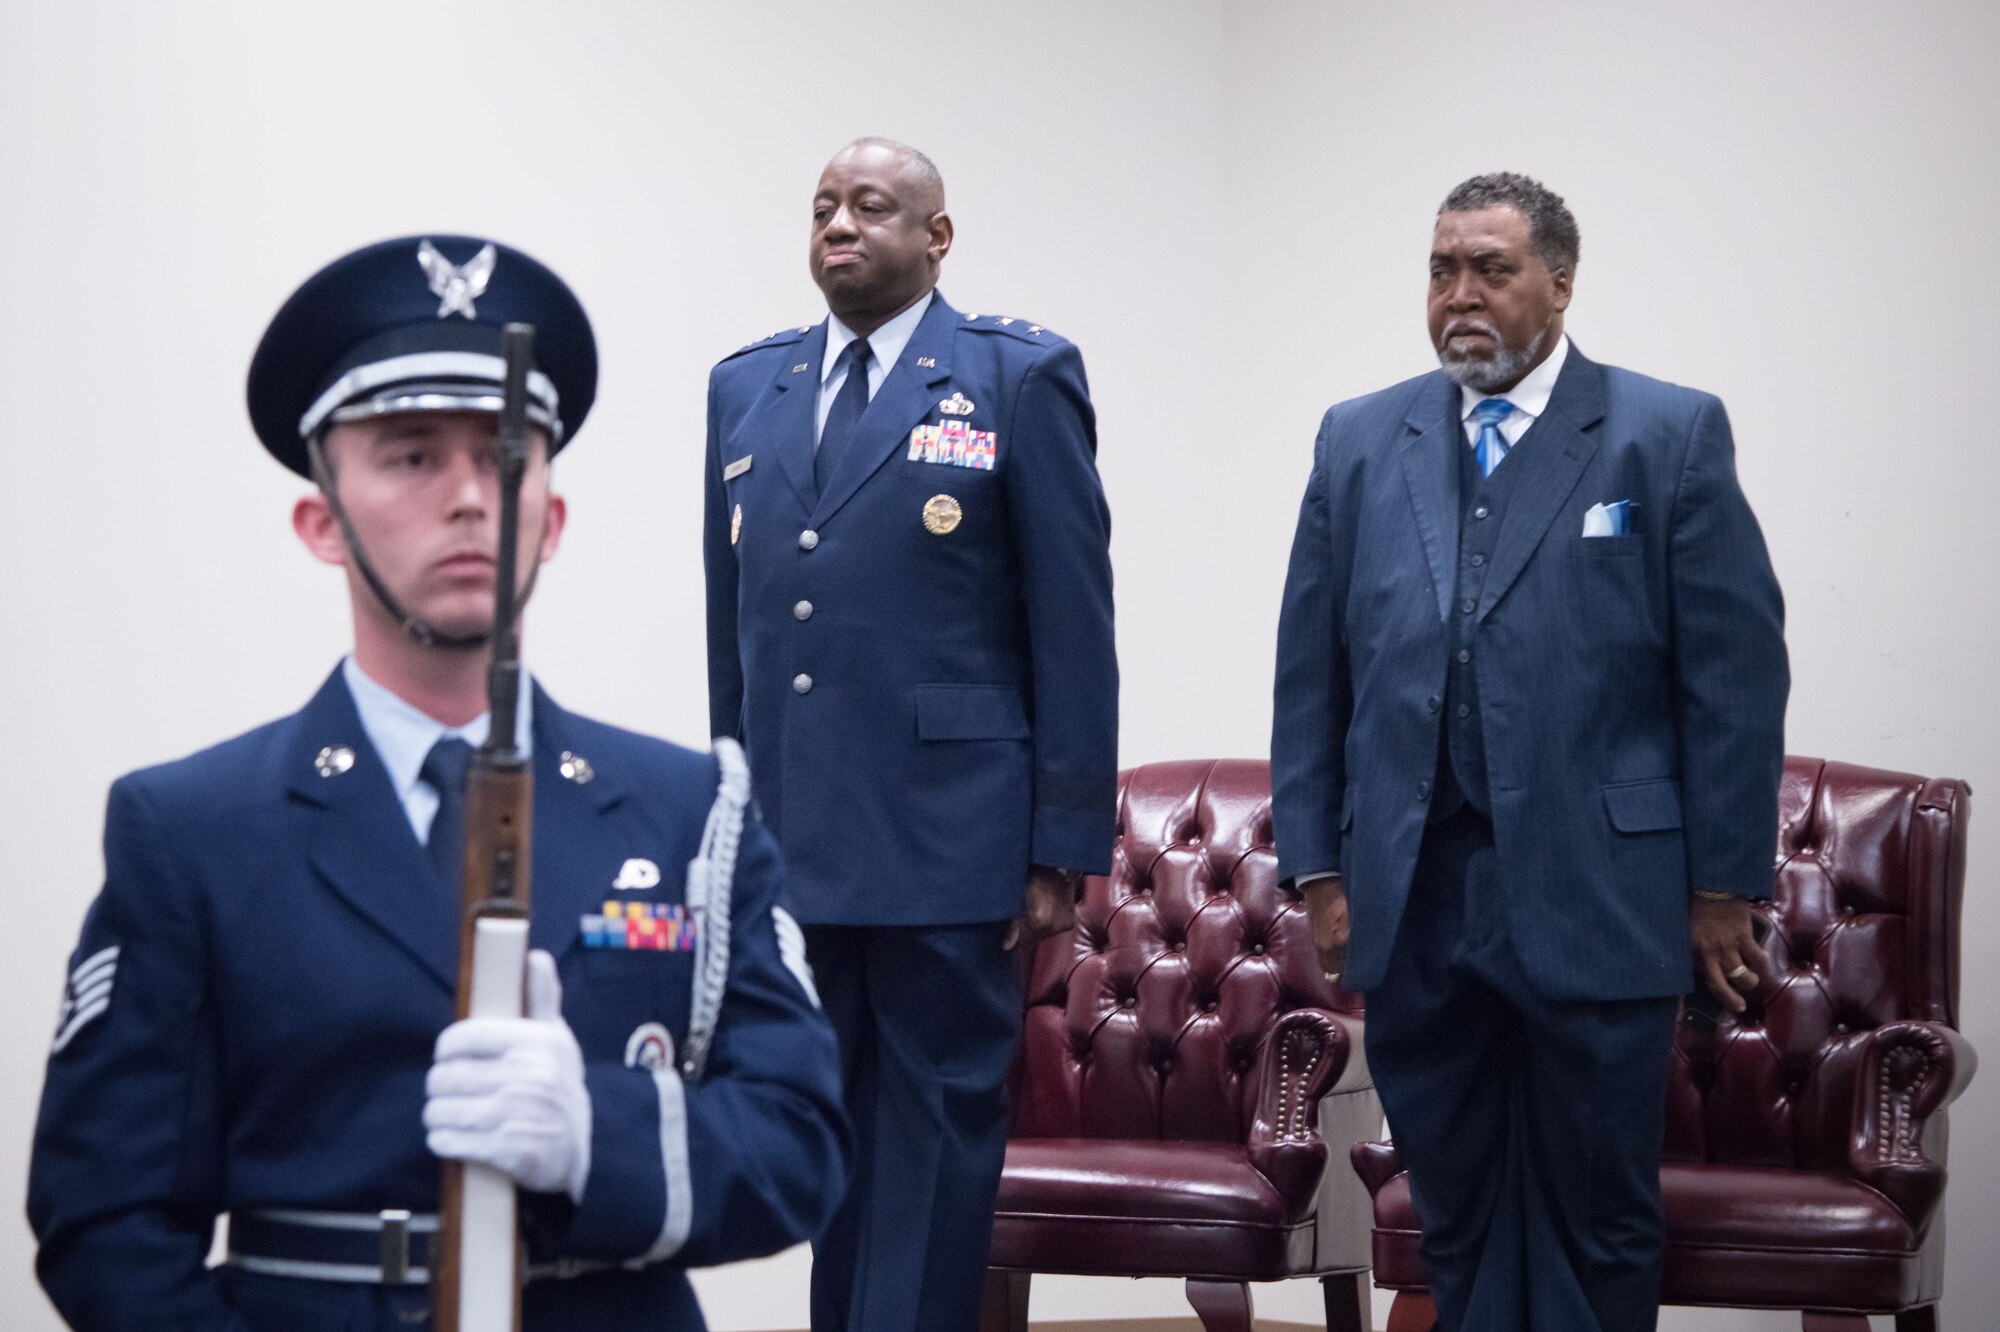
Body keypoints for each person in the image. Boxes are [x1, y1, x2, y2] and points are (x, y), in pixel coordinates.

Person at [28, 235, 847, 1331]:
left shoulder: (690, 810)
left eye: (505, 457)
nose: (468, 497)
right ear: (322, 522)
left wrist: (592, 1134)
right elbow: (104, 1219)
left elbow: (801, 1145)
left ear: (548, 520)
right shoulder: (192, 828)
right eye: (411, 456)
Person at [1271, 174, 1788, 1332]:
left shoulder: (1665, 432)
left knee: (1595, 1209)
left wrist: (1719, 889)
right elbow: (1311, 674)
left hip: (1599, 892)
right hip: (1415, 897)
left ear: (1557, 282)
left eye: (1489, 270)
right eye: (1441, 268)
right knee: (1450, 1206)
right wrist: (1316, 868)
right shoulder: (1359, 437)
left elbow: (1734, 683)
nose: (1460, 295)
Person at [703, 138, 1119, 1331]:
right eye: (824, 206)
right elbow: (728, 634)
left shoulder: (1013, 378)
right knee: (820, 1123)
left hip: (954, 842)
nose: (840, 224)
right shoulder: (747, 387)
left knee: (937, 1138)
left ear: (935, 236)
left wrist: (1059, 841)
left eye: (871, 206)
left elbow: (1072, 624)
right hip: (797, 835)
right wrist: (732, 819)